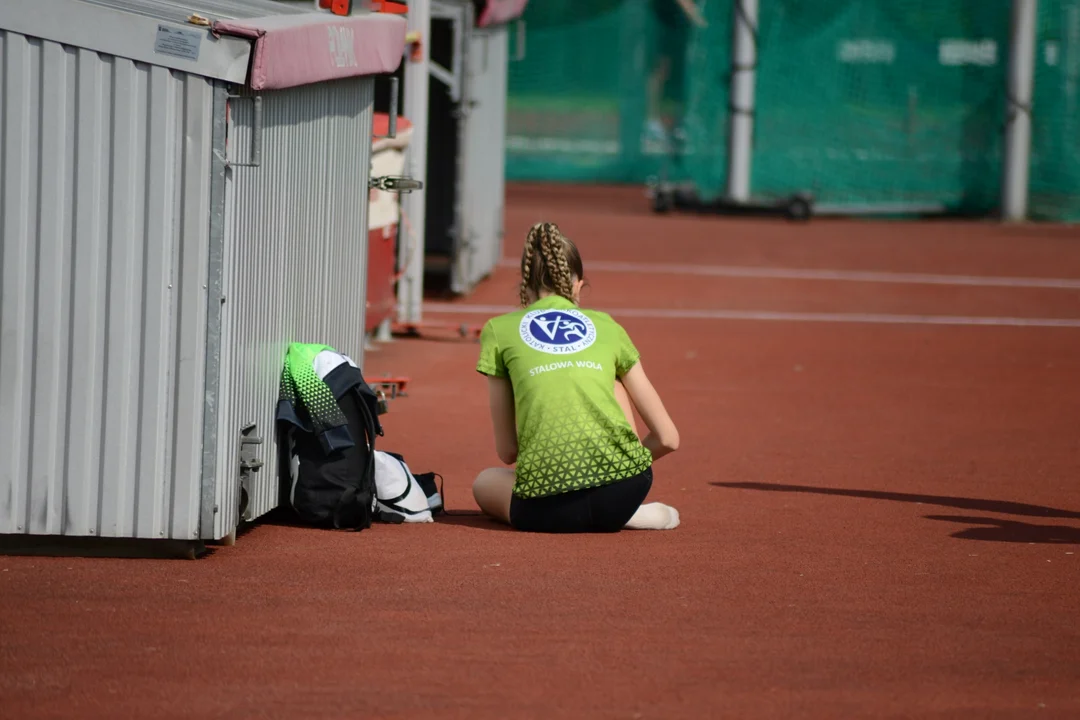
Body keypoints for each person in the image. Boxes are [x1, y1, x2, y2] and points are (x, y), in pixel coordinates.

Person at [471, 222, 681, 533]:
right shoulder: (607, 325)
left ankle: (612, 510)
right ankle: (627, 513)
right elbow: (668, 438)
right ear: (578, 287)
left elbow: (508, 452)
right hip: (624, 490)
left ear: (523, 288)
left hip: (544, 508)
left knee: (485, 482)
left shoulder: (498, 330)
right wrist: (615, 467)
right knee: (611, 376)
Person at [644, 0, 707, 148]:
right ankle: (651, 124)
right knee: (660, 70)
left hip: (685, 27)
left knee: (692, 72)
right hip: (667, 22)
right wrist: (697, 18)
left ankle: (684, 123)